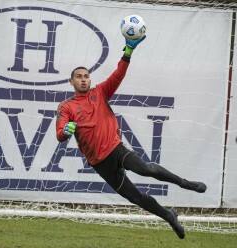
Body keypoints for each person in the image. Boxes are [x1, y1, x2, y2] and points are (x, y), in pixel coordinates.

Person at [56, 35, 207, 239]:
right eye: (79, 76)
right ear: (71, 81)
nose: (83, 79)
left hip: (116, 149)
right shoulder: (66, 106)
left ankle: (185, 183)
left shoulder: (99, 92)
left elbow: (118, 75)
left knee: (145, 169)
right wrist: (65, 131)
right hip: (99, 163)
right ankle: (169, 216)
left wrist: (128, 52)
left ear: (89, 80)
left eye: (86, 76)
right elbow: (59, 133)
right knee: (134, 197)